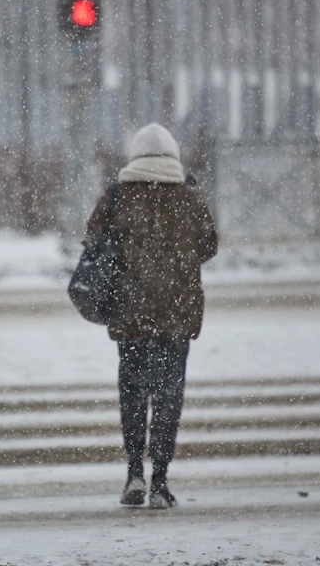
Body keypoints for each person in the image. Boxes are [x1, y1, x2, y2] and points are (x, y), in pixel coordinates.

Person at [84, 123, 218, 510]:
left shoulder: (117, 198)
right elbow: (209, 245)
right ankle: (160, 482)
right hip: (176, 314)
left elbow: (92, 241)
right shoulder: (190, 198)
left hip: (131, 314)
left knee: (132, 392)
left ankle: (133, 473)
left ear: (134, 157)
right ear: (173, 157)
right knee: (168, 395)